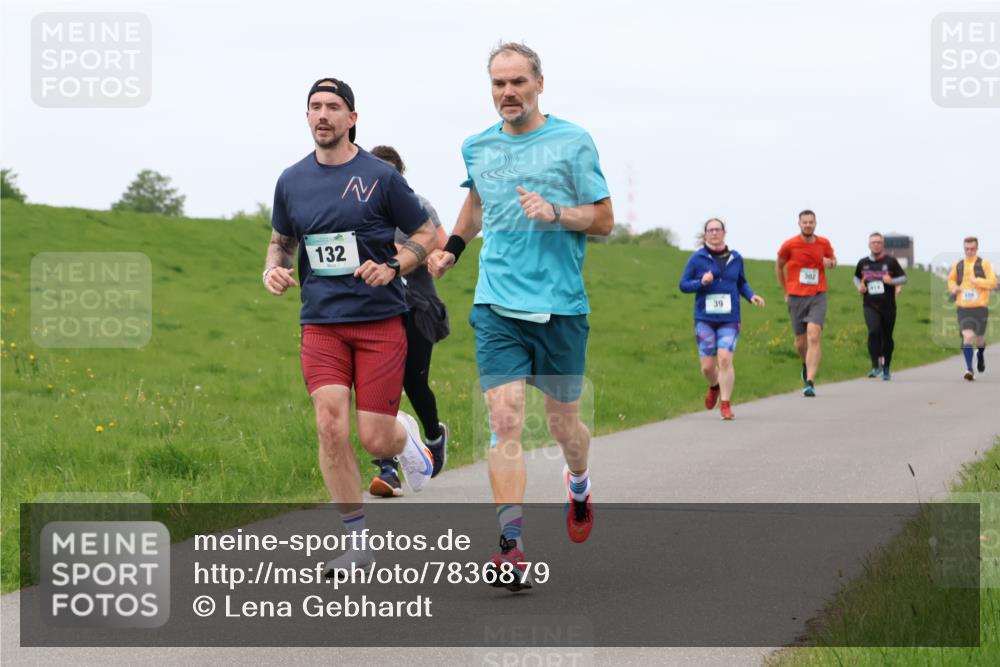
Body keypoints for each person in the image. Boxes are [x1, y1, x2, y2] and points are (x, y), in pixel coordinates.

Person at [428, 42, 614, 590]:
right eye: (498, 83)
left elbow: (604, 220)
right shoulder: (477, 146)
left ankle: (578, 483)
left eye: (517, 82)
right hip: (497, 305)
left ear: (539, 83)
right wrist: (453, 249)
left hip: (560, 307)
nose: (507, 92)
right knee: (505, 420)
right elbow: (477, 204)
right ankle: (511, 547)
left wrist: (556, 212)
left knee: (563, 426)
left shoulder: (573, 141)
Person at [263, 78, 440, 577]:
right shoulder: (291, 180)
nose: (323, 115)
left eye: (333, 107)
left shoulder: (380, 177)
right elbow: (281, 241)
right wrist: (273, 268)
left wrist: (394, 265)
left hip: (379, 321)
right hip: (321, 322)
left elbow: (426, 232)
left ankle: (405, 436)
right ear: (307, 116)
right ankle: (357, 542)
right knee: (329, 425)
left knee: (375, 440)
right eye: (315, 107)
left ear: (352, 118)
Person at [367, 145, 449, 497]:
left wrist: (430, 257)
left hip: (417, 306)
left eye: (391, 173)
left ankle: (433, 436)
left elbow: (442, 245)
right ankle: (387, 469)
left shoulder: (418, 206)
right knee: (381, 385)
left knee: (414, 383)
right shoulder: (360, 210)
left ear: (401, 175)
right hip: (377, 309)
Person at [679, 219, 766, 419]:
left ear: (724, 232)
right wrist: (701, 282)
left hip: (730, 317)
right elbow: (683, 285)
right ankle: (714, 386)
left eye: (717, 229)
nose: (714, 233)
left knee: (725, 359)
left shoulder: (736, 258)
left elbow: (741, 283)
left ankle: (725, 404)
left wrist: (751, 295)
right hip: (705, 318)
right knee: (707, 367)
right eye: (710, 230)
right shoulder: (697, 259)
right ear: (705, 234)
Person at [776, 210, 837, 397]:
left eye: (811, 222)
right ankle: (805, 364)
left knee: (814, 334)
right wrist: (786, 290)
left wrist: (830, 263)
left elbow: (834, 261)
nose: (808, 225)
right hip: (796, 296)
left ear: (815, 223)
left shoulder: (824, 243)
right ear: (799, 224)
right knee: (800, 342)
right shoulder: (789, 245)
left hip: (818, 294)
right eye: (805, 222)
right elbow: (779, 266)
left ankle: (810, 381)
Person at [853, 232, 907, 381]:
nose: (876, 245)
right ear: (869, 245)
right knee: (873, 331)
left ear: (883, 245)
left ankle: (886, 367)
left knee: (887, 336)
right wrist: (859, 286)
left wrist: (892, 281)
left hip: (888, 305)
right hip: (870, 305)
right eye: (873, 242)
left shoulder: (891, 261)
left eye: (878, 242)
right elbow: (856, 277)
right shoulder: (863, 262)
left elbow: (904, 278)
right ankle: (875, 366)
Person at [947, 236, 997, 380]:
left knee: (979, 339)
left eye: (972, 249)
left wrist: (978, 281)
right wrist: (954, 288)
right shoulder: (958, 265)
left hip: (980, 307)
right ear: (964, 249)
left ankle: (980, 355)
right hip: (963, 307)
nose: (969, 251)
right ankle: (969, 369)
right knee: (968, 337)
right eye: (967, 249)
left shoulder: (984, 264)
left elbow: (993, 282)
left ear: (977, 248)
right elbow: (951, 280)